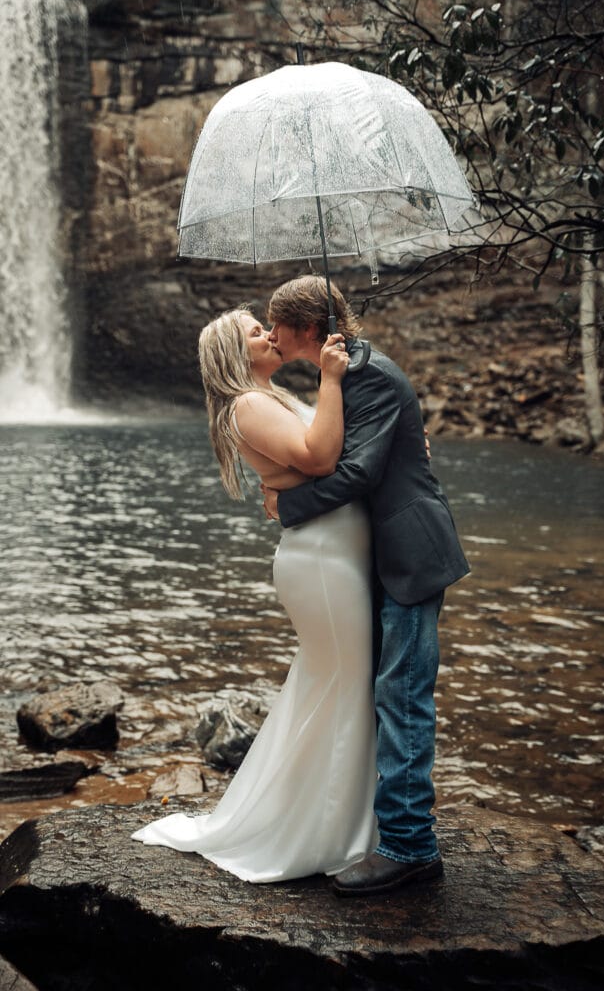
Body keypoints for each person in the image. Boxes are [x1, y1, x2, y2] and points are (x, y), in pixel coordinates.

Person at [131, 306, 379, 882]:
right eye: (255, 332)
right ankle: (323, 834)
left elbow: (332, 449)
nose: (270, 335)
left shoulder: (270, 398)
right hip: (320, 560)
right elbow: (319, 458)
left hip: (334, 553)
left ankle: (338, 819)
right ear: (231, 354)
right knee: (344, 685)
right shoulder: (247, 405)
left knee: (338, 687)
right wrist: (333, 379)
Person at [263, 276, 470, 897]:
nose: (271, 336)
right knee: (387, 688)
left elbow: (356, 471)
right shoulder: (350, 374)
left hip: (409, 553)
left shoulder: (368, 375)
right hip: (384, 553)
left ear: (305, 327)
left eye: (276, 325)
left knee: (402, 695)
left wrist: (286, 502)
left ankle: (410, 848)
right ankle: (389, 829)